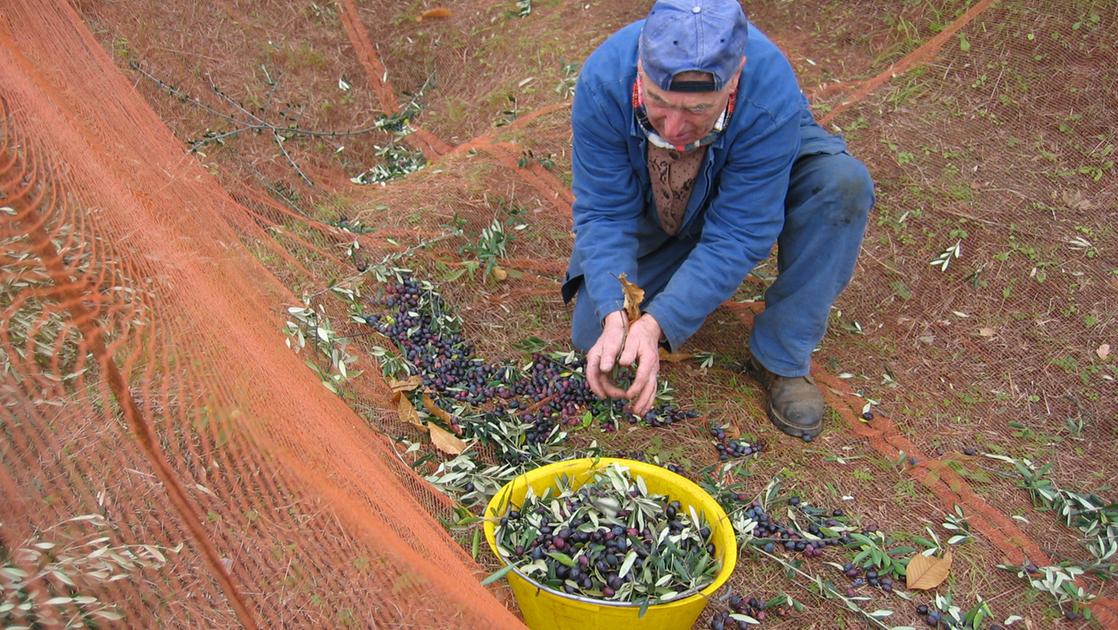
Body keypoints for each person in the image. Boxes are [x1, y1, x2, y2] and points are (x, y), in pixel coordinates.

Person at [562, 0, 874, 440]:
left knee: (841, 185)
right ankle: (678, 251)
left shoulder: (768, 93)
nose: (672, 129)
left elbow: (740, 231)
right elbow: (605, 211)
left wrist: (657, 323)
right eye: (657, 102)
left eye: (695, 110)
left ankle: (781, 355)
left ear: (734, 79)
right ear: (640, 68)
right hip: (658, 184)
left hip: (750, 161)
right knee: (593, 334)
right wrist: (620, 312)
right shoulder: (604, 82)